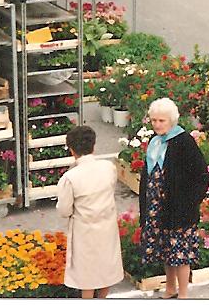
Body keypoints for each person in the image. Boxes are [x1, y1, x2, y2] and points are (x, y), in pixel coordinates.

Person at [140, 98, 209, 301]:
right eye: (153, 120)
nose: (157, 124)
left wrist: (189, 203)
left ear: (171, 120)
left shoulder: (183, 141)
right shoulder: (155, 142)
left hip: (179, 210)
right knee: (165, 250)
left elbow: (202, 176)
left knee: (180, 253)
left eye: (161, 120)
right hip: (158, 207)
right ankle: (169, 289)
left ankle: (184, 295)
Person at [57, 126, 124, 299]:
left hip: (84, 230)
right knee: (105, 267)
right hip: (107, 225)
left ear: (71, 150)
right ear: (93, 145)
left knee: (87, 275)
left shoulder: (70, 177)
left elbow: (64, 210)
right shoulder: (108, 167)